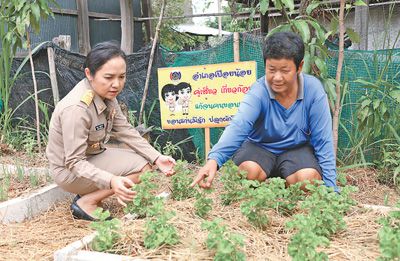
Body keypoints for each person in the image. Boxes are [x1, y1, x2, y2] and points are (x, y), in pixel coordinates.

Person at [191, 32, 337, 192]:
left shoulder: (313, 90)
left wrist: (331, 190)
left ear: (299, 67)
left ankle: (285, 184)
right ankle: (266, 183)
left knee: (308, 179)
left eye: (285, 70)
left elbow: (323, 141)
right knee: (248, 171)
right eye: (272, 70)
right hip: (259, 147)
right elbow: (238, 126)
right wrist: (214, 160)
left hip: (296, 150)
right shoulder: (258, 92)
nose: (277, 78)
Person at [46, 41, 176, 221]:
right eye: (108, 77)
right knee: (137, 169)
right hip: (69, 171)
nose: (116, 84)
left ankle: (89, 197)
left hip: (92, 157)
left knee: (145, 164)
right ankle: (86, 202)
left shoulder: (105, 95)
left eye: (122, 76)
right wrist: (111, 180)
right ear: (89, 74)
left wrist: (157, 157)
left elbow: (126, 130)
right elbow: (74, 162)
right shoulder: (77, 109)